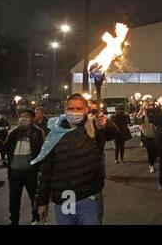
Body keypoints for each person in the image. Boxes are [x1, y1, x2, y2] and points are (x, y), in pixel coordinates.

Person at [34, 93, 120, 225]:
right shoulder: (55, 133)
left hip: (88, 197)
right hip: (63, 198)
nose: (74, 112)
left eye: (79, 109)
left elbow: (115, 134)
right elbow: (47, 170)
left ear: (86, 110)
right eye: (71, 108)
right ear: (65, 110)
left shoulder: (93, 128)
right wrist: (42, 201)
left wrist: (106, 124)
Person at [3, 110, 43, 225]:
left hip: (30, 172)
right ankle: (14, 220)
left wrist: (40, 170)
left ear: (32, 119)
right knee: (14, 199)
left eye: (25, 117)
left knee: (34, 197)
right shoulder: (14, 132)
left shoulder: (38, 132)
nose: (22, 118)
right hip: (14, 172)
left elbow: (42, 152)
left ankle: (36, 219)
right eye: (21, 116)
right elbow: (5, 148)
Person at [141, 103, 158, 173]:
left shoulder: (157, 116)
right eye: (149, 108)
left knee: (156, 152)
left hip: (156, 136)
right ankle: (151, 165)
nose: (151, 109)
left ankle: (153, 161)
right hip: (147, 136)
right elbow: (138, 122)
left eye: (152, 108)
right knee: (150, 152)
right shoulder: (144, 116)